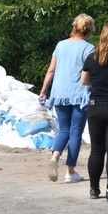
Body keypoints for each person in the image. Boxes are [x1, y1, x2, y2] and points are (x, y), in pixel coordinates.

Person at [39, 13, 95, 184]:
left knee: (64, 130)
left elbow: (51, 70)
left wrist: (43, 91)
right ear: (89, 30)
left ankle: (55, 156)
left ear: (74, 27)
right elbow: (91, 73)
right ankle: (70, 172)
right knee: (76, 131)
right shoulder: (89, 49)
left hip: (60, 93)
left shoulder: (60, 45)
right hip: (80, 94)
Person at [82, 22, 108, 201]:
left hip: (95, 106)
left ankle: (94, 189)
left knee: (96, 150)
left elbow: (84, 81)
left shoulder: (92, 58)